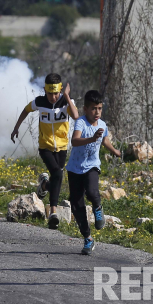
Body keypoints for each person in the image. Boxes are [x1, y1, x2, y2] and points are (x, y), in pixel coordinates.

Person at [10, 73, 79, 229]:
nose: (53, 97)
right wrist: (16, 128)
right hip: (45, 146)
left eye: (56, 93)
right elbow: (26, 110)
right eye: (50, 93)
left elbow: (75, 115)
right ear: (44, 90)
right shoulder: (40, 102)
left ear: (61, 90)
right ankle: (53, 212)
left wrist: (67, 97)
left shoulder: (66, 101)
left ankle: (44, 186)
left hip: (62, 147)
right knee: (58, 173)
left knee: (56, 177)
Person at [66, 90, 121, 255]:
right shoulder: (81, 123)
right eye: (93, 109)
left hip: (92, 165)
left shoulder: (103, 125)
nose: (96, 112)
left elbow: (104, 139)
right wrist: (91, 139)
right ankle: (88, 238)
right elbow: (75, 141)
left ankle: (97, 207)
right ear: (85, 109)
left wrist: (114, 151)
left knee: (91, 192)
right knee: (76, 205)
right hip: (75, 168)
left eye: (99, 108)